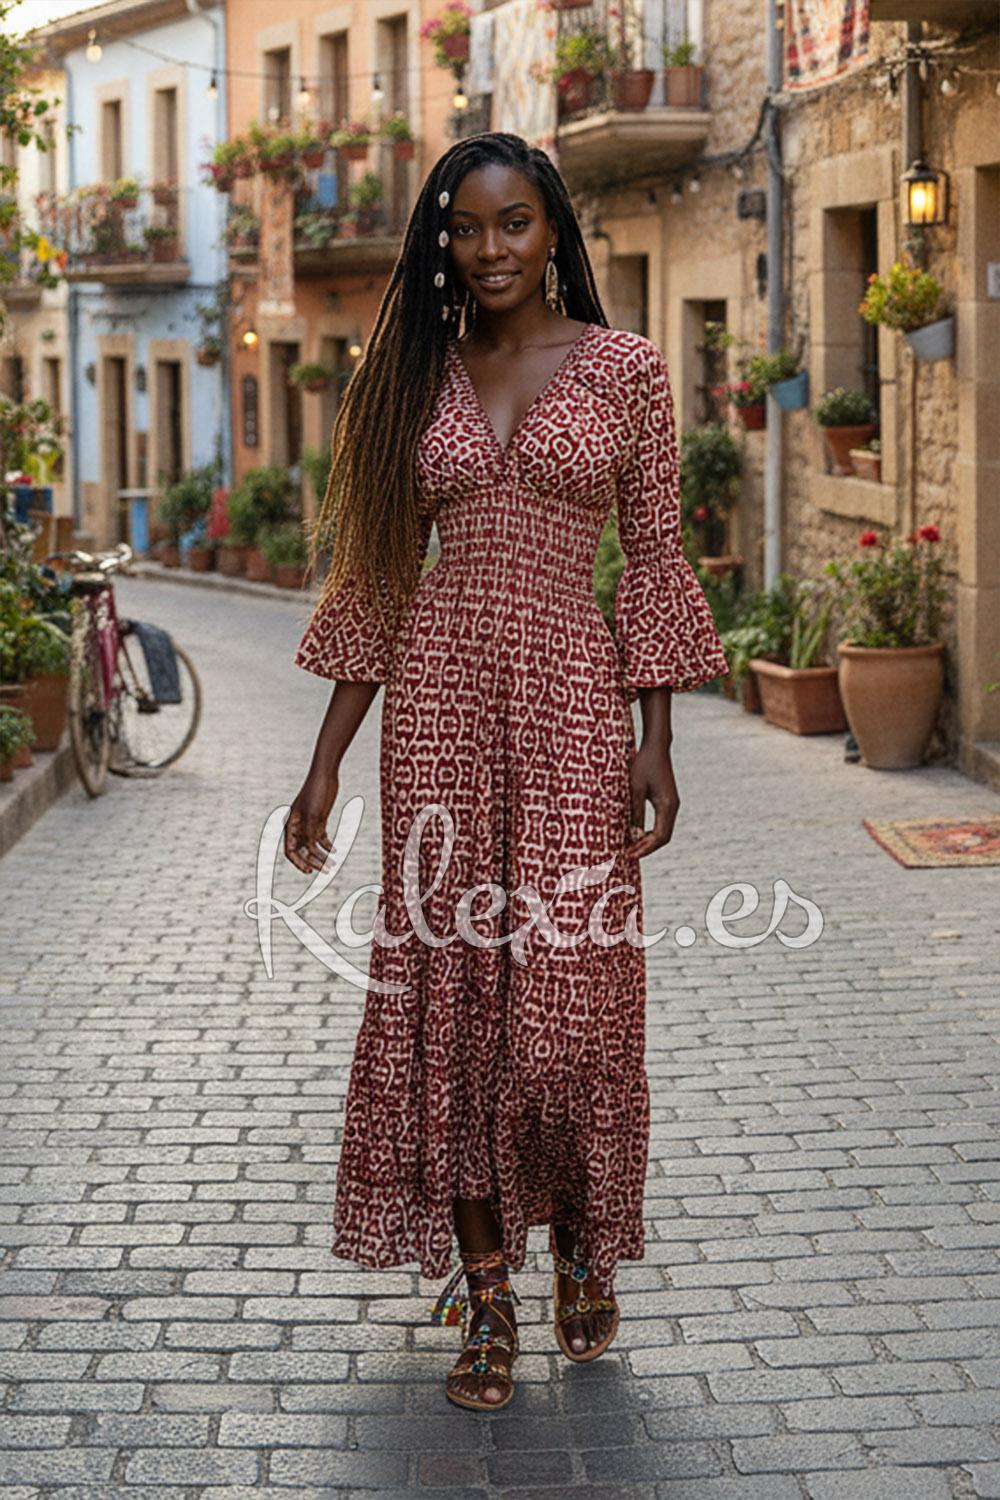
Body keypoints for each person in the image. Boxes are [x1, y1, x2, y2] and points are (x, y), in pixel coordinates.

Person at [285, 131, 729, 1413]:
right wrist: (324, 766)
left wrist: (654, 738)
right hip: (435, 712)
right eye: (467, 227)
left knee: (568, 1001)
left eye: (514, 223)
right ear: (444, 241)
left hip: (573, 706)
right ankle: (487, 1296)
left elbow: (652, 558)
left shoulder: (626, 370)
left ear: (552, 231)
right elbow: (378, 577)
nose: (490, 249)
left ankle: (582, 1236)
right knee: (450, 1005)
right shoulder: (409, 379)